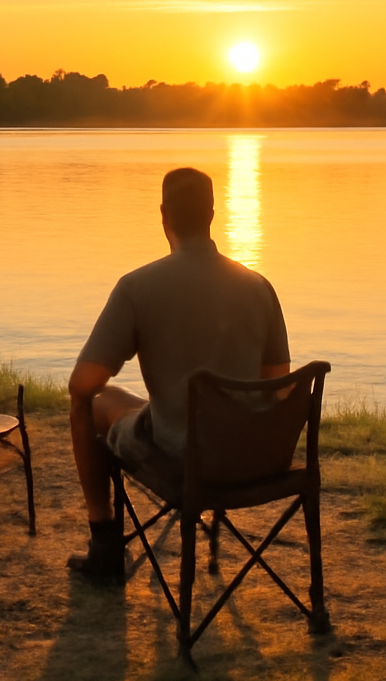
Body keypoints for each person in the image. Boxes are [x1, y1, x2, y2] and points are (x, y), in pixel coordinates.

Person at [66, 167, 291, 583]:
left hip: (186, 458)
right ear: (211, 213)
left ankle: (104, 544)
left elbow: (81, 384)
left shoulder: (137, 287)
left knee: (92, 401)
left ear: (164, 215)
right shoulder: (258, 286)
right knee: (155, 408)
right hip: (257, 456)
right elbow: (277, 385)